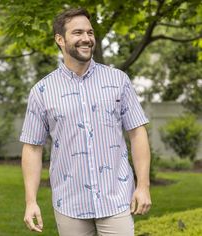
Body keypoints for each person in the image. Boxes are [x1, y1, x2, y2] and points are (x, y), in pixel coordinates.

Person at [20, 7, 151, 236]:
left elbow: (137, 132)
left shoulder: (118, 80)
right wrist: (31, 201)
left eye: (90, 33)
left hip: (116, 200)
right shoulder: (42, 91)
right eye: (78, 33)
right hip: (69, 204)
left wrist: (143, 186)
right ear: (60, 39)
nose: (87, 39)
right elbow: (32, 147)